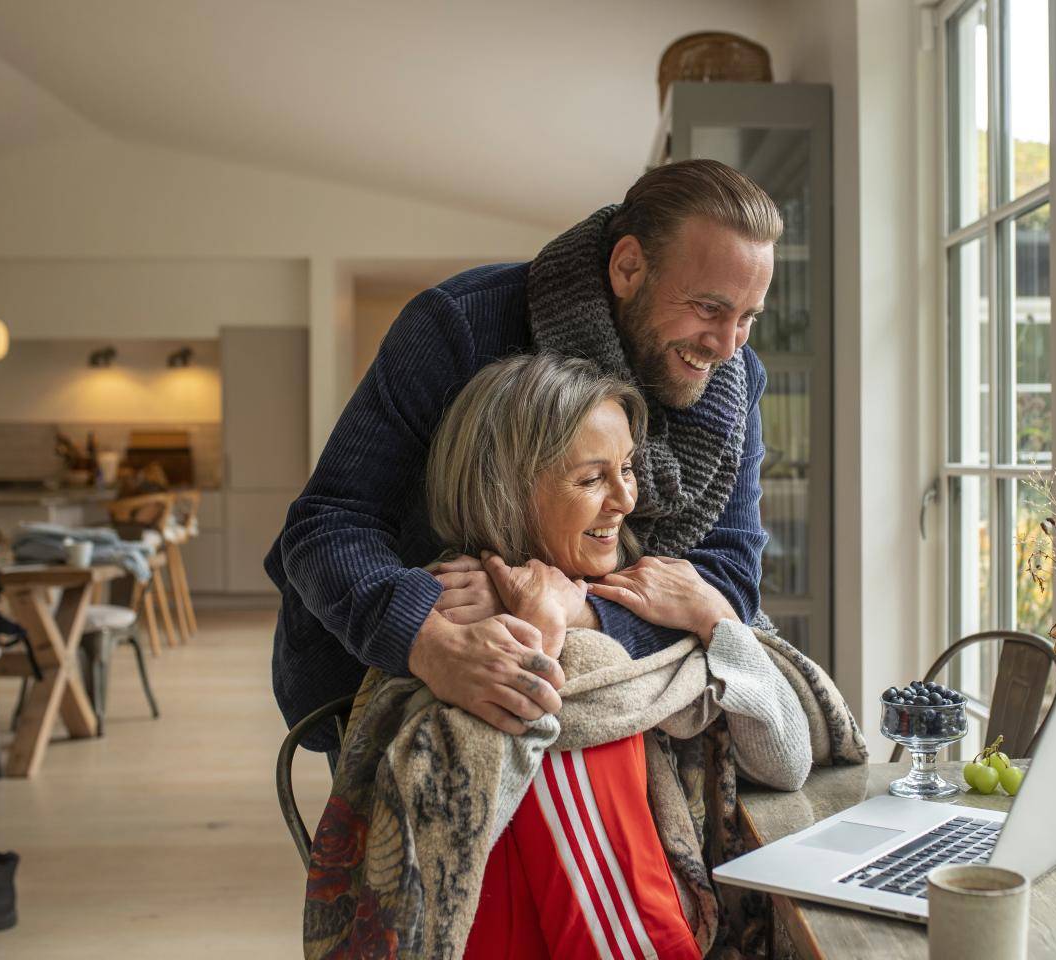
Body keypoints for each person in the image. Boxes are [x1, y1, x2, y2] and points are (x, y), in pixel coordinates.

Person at [303, 354, 820, 960]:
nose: (626, 499)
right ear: (507, 492)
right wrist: (546, 634)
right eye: (592, 479)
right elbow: (461, 834)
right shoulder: (502, 643)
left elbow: (786, 762)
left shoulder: (643, 602)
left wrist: (716, 617)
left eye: (628, 468)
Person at [267, 159, 780, 748]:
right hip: (397, 668)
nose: (726, 346)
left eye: (747, 318)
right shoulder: (459, 323)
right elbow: (329, 520)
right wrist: (430, 641)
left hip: (608, 691)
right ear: (629, 266)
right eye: (709, 308)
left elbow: (728, 583)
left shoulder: (736, 377)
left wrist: (564, 609)